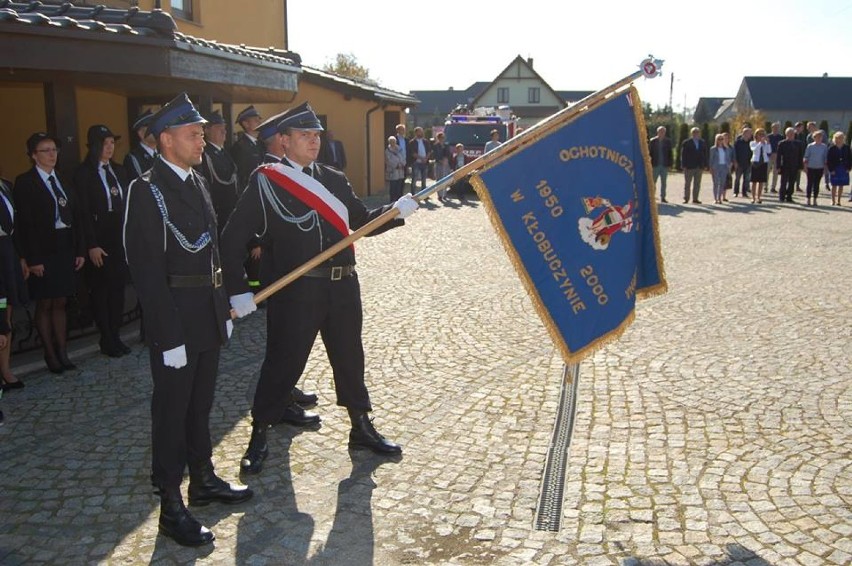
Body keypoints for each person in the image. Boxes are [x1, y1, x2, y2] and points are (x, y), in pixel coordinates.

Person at [219, 102, 420, 475]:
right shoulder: (267, 181)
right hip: (297, 291)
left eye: (316, 135)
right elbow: (231, 239)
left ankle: (360, 426)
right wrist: (238, 290)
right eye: (304, 136)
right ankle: (260, 430)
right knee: (284, 361)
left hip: (344, 285)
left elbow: (360, 223)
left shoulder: (333, 179)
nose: (313, 142)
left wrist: (395, 212)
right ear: (284, 141)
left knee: (349, 357)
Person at [123, 93, 253, 548]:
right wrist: (167, 333)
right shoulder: (146, 190)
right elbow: (146, 270)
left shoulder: (196, 181)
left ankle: (202, 478)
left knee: (200, 406)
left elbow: (212, 249)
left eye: (201, 132)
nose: (202, 139)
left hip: (207, 315)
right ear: (166, 139)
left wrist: (225, 308)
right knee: (171, 412)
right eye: (193, 133)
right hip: (176, 320)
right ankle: (170, 506)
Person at [13, 132, 85, 374]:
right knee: (45, 302)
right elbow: (24, 224)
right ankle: (50, 353)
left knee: (61, 301)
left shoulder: (63, 180)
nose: (52, 154)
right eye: (45, 150)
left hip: (65, 246)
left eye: (54, 149)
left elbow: (75, 216)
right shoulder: (25, 182)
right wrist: (32, 259)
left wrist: (78, 249)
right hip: (42, 250)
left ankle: (63, 351)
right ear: (34, 155)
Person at [74, 125, 130, 358]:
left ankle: (116, 335)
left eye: (112, 143)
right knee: (101, 290)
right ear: (94, 146)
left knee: (117, 289)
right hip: (98, 237)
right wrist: (91, 244)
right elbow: (83, 213)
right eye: (105, 143)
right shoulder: (84, 173)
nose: (109, 148)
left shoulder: (118, 170)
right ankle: (106, 337)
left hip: (118, 236)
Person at [0, 176, 27, 391]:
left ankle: (5, 369)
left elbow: (15, 225)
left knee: (4, 311)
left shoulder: (5, 185)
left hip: (6, 251)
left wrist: (20, 257)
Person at [196, 111, 239, 232]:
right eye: (219, 128)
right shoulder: (205, 155)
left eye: (224, 128)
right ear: (207, 130)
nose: (224, 131)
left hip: (230, 210)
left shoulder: (224, 153)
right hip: (218, 211)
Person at [230, 105, 265, 190]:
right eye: (256, 120)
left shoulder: (260, 144)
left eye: (259, 120)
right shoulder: (240, 147)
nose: (260, 123)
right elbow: (241, 176)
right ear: (246, 124)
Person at [124, 109, 157, 181]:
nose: (156, 130)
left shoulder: (163, 152)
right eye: (152, 127)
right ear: (141, 134)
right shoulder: (133, 158)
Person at [776, 127, 803, 204]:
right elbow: (778, 156)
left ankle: (789, 196)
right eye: (789, 134)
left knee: (792, 182)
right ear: (786, 134)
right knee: (783, 182)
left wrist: (801, 166)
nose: (791, 135)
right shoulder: (782, 143)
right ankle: (782, 196)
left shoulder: (798, 144)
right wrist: (778, 166)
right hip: (785, 165)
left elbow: (800, 156)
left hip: (795, 166)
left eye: (792, 134)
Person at [680, 127, 707, 204]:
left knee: (697, 183)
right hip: (689, 166)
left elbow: (704, 154)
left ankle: (695, 198)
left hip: (699, 166)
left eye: (697, 132)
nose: (696, 134)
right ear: (691, 133)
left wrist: (705, 164)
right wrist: (683, 165)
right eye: (694, 132)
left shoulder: (702, 142)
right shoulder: (687, 142)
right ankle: (686, 198)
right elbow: (683, 154)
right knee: (687, 183)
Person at [648, 126, 673, 203]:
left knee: (664, 182)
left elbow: (670, 154)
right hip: (655, 165)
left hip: (664, 165)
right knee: (653, 182)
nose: (662, 133)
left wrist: (670, 165)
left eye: (663, 132)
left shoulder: (668, 141)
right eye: (660, 131)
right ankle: (652, 196)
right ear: (657, 132)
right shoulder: (653, 141)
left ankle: (663, 197)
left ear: (665, 133)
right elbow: (649, 153)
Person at [803, 130, 828, 206]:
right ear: (814, 138)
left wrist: (825, 169)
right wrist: (805, 167)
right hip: (810, 167)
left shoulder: (824, 147)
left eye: (820, 137)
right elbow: (806, 157)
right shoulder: (810, 146)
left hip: (819, 167)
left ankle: (815, 199)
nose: (819, 138)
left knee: (817, 184)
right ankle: (808, 198)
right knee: (809, 183)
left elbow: (825, 159)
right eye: (817, 137)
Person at [826, 131, 851, 206]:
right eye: (837, 138)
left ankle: (839, 200)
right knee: (834, 185)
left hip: (844, 168)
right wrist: (831, 170)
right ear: (835, 139)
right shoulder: (831, 148)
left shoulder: (847, 148)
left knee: (841, 185)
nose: (839, 139)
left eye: (841, 138)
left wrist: (849, 168)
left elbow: (850, 158)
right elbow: (829, 160)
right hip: (834, 168)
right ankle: (833, 200)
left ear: (843, 139)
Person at [749, 128, 771, 204]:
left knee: (761, 181)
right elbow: (754, 150)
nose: (761, 136)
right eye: (760, 134)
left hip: (763, 162)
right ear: (756, 135)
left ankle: (759, 197)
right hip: (755, 162)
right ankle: (753, 197)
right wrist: (760, 143)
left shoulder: (765, 143)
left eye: (763, 134)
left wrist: (768, 143)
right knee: (754, 181)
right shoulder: (752, 143)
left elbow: (769, 151)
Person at [407, 127, 431, 196]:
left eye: (422, 131)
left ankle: (424, 195)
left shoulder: (425, 141)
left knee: (424, 180)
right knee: (414, 179)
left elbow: (429, 151)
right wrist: (421, 158)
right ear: (416, 133)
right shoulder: (412, 142)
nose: (421, 133)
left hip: (425, 162)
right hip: (416, 163)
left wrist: (426, 158)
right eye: (420, 131)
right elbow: (412, 153)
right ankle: (413, 195)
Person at [709, 134, 731, 205]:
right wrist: (711, 168)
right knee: (715, 183)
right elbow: (711, 159)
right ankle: (715, 198)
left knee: (722, 183)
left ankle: (719, 198)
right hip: (716, 167)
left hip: (724, 167)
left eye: (722, 139)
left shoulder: (726, 149)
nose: (721, 140)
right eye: (719, 139)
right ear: (716, 140)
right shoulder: (713, 149)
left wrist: (729, 166)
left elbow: (728, 158)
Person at [431, 131, 452, 202]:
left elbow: (449, 154)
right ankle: (439, 195)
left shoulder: (446, 145)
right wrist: (441, 161)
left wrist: (446, 160)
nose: (442, 139)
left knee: (445, 180)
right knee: (439, 180)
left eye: (443, 138)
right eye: (440, 138)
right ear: (438, 138)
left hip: (446, 164)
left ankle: (444, 194)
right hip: (438, 164)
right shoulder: (435, 146)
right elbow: (435, 155)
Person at [733, 127, 753, 198]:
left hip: (748, 163)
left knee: (746, 179)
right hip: (739, 163)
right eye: (749, 133)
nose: (750, 135)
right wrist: (735, 161)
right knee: (737, 178)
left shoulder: (751, 143)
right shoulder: (738, 142)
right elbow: (734, 152)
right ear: (744, 133)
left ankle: (744, 193)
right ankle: (736, 192)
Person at [385, 135, 405, 203]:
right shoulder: (387, 150)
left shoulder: (399, 149)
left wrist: (402, 164)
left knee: (399, 186)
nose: (393, 143)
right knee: (393, 187)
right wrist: (396, 165)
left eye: (394, 141)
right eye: (391, 141)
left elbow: (403, 157)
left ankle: (399, 200)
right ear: (389, 142)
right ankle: (392, 200)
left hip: (400, 171)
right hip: (393, 171)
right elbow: (388, 160)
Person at [767, 122, 784, 193]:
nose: (775, 129)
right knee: (767, 172)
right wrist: (770, 154)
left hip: (777, 156)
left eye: (777, 128)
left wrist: (778, 155)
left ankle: (773, 187)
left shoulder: (781, 137)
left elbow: (782, 147)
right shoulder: (768, 137)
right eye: (774, 128)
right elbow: (766, 146)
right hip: (769, 156)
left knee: (775, 172)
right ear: (772, 128)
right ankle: (765, 186)